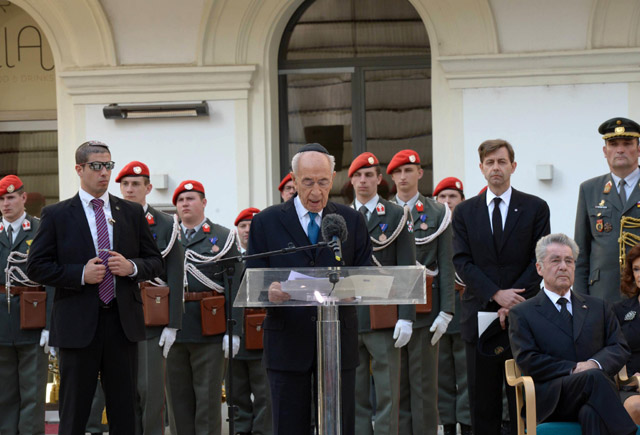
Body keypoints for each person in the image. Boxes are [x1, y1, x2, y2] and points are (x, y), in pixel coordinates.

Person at [26, 140, 163, 434]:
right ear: (79, 169)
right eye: (96, 166)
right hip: (77, 324)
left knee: (124, 410)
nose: (104, 172)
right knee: (75, 410)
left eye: (108, 165)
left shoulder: (130, 212)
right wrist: (79, 274)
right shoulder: (57, 214)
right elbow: (36, 267)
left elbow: (155, 261)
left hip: (122, 323)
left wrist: (132, 267)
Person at [246, 143, 372, 435]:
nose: (316, 192)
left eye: (324, 182)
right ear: (293, 179)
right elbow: (252, 278)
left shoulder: (350, 220)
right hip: (287, 342)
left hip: (338, 343)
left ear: (334, 178)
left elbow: (366, 272)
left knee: (340, 427)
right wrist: (269, 291)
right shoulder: (266, 221)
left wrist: (356, 287)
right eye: (308, 182)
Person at [452, 139, 550, 435]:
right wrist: (496, 294)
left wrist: (512, 299)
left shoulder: (535, 207)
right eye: (490, 162)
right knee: (483, 402)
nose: (496, 167)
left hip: (524, 316)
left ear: (513, 166)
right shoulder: (465, 212)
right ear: (481, 168)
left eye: (502, 161)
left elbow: (540, 257)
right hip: (480, 315)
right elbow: (462, 261)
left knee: (523, 399)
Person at [509, 233, 637, 435]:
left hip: (596, 397)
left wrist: (593, 364)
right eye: (555, 260)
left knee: (591, 413)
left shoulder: (598, 307)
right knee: (593, 378)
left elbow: (619, 347)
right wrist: (575, 368)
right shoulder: (523, 312)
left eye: (569, 261)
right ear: (539, 268)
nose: (563, 266)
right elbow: (528, 358)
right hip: (553, 398)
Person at [166, 179, 242, 435]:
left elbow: (235, 286)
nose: (185, 204)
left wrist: (235, 330)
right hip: (174, 329)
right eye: (180, 200)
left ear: (204, 203)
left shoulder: (222, 236)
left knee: (208, 401)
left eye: (191, 198)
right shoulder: (167, 235)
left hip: (209, 329)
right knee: (177, 402)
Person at [388, 149, 455, 435]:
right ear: (391, 177)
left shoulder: (438, 211)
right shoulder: (385, 212)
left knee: (425, 387)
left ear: (420, 173)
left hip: (428, 311)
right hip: (390, 312)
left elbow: (446, 262)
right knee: (396, 387)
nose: (404, 177)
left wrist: (447, 310)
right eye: (398, 172)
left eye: (409, 170)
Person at [348, 152, 416, 435]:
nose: (363, 181)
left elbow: (407, 267)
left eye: (369, 175)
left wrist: (407, 316)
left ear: (379, 179)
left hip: (385, 316)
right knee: (355, 392)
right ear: (350, 180)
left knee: (389, 392)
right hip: (350, 315)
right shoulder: (339, 216)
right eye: (358, 176)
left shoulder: (396, 215)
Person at [116, 160, 184, 434]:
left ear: (148, 188)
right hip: (118, 313)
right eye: (125, 185)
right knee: (123, 389)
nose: (130, 190)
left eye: (135, 184)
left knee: (150, 391)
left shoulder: (166, 223)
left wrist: (173, 323)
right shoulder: (109, 218)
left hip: (151, 316)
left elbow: (176, 274)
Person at [0, 175, 53, 435]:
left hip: (33, 319)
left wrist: (50, 325)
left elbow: (53, 279)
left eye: (10, 197)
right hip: (1, 322)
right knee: (4, 392)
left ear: (23, 198)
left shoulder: (42, 229)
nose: (6, 204)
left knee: (33, 393)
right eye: (1, 199)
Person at [575, 117, 640, 302]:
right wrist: (580, 300)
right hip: (602, 294)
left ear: (639, 149)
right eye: (613, 144)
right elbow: (581, 251)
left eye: (627, 144)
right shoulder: (590, 189)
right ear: (605, 151)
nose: (620, 150)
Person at [433, 176, 471, 435]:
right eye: (442, 197)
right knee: (442, 376)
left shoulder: (469, 229)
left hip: (464, 307)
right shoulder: (431, 229)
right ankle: (447, 425)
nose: (447, 202)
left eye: (452, 197)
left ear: (462, 201)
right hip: (438, 310)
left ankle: (467, 424)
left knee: (467, 374)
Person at [232, 207, 273, 435]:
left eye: (252, 225)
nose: (247, 230)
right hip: (237, 333)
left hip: (262, 334)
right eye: (243, 226)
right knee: (237, 394)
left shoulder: (268, 256)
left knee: (263, 394)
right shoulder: (229, 255)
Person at [613, 243, 640, 424]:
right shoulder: (619, 311)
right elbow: (611, 354)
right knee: (637, 406)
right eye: (637, 269)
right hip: (629, 386)